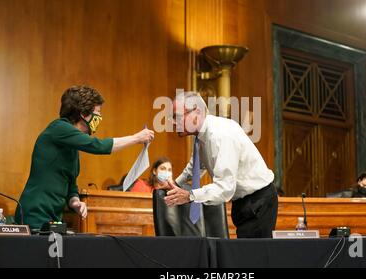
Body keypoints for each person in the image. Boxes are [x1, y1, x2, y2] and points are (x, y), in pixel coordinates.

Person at [15, 85, 154, 230]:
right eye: (97, 112)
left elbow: (71, 184)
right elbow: (97, 146)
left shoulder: (72, 145)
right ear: (83, 113)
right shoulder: (59, 128)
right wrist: (136, 138)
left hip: (53, 218)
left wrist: (75, 202)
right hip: (35, 215)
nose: (100, 117)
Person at [164, 91, 278, 238]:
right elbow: (196, 166)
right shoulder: (201, 135)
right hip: (243, 202)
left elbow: (225, 188)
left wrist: (190, 196)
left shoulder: (221, 135)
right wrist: (176, 184)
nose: (173, 122)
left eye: (177, 116)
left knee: (253, 258)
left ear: (197, 112)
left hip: (258, 201)